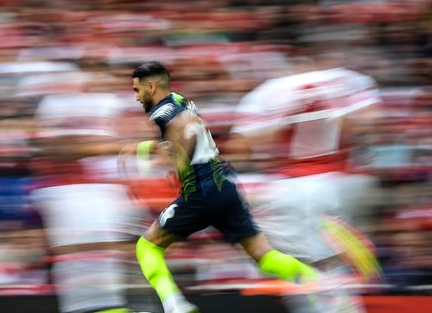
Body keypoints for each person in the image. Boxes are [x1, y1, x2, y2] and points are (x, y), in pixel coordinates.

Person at [130, 61, 316, 313]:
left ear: (151, 86)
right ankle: (320, 284)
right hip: (225, 184)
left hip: (202, 190)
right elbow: (187, 126)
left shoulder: (161, 113)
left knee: (147, 247)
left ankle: (175, 306)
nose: (137, 97)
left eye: (138, 90)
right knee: (264, 256)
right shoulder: (180, 99)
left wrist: (171, 161)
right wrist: (156, 149)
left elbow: (182, 129)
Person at [227, 63, 384, 312]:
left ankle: (333, 286)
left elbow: (245, 142)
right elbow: (372, 120)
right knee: (320, 260)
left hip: (296, 187)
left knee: (287, 254)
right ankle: (340, 253)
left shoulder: (271, 90)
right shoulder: (347, 79)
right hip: (346, 183)